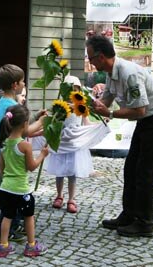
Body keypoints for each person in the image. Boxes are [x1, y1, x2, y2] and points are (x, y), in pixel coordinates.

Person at [86, 35, 153, 237]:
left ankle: (144, 224)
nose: (90, 62)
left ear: (101, 57)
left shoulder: (129, 73)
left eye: (91, 58)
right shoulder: (111, 72)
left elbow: (140, 110)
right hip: (147, 123)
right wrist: (93, 103)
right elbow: (107, 99)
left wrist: (108, 113)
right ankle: (129, 216)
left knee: (146, 174)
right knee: (131, 169)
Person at [0, 64, 45, 243]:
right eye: (22, 81)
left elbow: (18, 126)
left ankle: (7, 218)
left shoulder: (1, 102)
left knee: (6, 187)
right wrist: (42, 121)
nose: (23, 83)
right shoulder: (12, 105)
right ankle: (8, 225)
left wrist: (35, 117)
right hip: (13, 151)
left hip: (3, 150)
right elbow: (26, 131)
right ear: (15, 85)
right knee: (14, 190)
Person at [46, 75, 110, 213]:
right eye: (69, 90)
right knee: (60, 172)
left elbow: (87, 124)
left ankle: (71, 198)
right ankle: (59, 195)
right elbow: (54, 124)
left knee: (72, 173)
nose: (72, 94)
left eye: (75, 90)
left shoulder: (81, 108)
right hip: (62, 143)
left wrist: (100, 124)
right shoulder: (59, 106)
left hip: (74, 144)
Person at [0, 104, 49, 258]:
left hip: (5, 188)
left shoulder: (3, 144)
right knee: (29, 216)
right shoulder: (25, 145)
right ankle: (31, 246)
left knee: (7, 216)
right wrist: (42, 155)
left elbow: (3, 170)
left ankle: (3, 246)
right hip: (21, 190)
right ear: (25, 124)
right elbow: (31, 167)